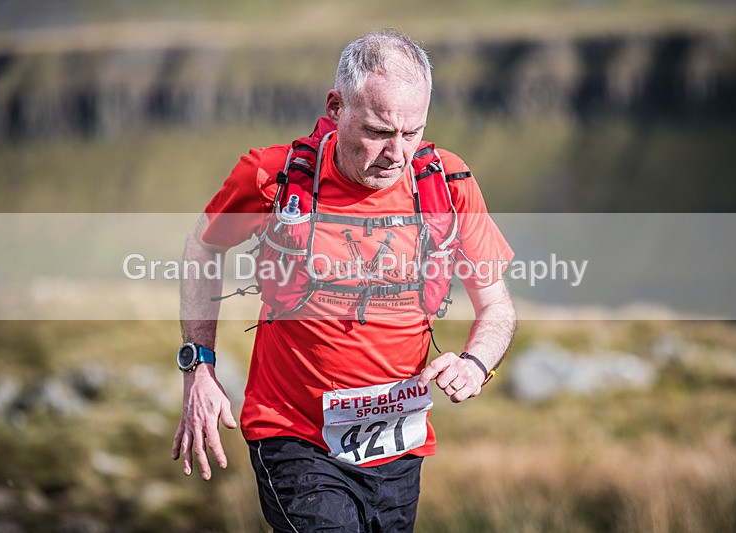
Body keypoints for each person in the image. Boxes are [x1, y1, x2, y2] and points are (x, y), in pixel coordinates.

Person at [172, 29, 517, 532]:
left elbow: (497, 309)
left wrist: (474, 362)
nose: (395, 153)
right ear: (336, 107)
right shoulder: (273, 176)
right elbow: (204, 244)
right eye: (379, 131)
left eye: (412, 132)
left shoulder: (448, 185)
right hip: (295, 436)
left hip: (399, 446)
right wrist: (198, 365)